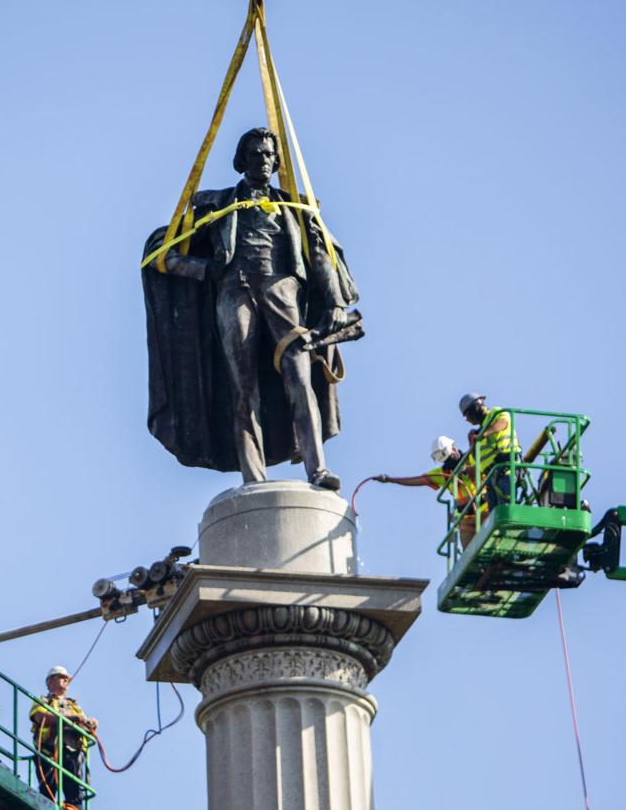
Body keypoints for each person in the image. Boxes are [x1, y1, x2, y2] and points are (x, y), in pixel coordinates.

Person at [144, 127, 361, 491]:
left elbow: (320, 251)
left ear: (277, 162)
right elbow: (162, 255)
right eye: (255, 153)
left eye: (268, 154)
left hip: (283, 290)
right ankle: (254, 478)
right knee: (243, 388)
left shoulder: (295, 205)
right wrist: (205, 269)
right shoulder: (215, 205)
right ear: (242, 160)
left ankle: (318, 469)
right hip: (235, 292)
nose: (263, 159)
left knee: (300, 378)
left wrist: (336, 301)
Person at [378, 436, 479, 548]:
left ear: (454, 448)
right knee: (471, 552)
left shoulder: (470, 457)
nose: (448, 462)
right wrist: (390, 480)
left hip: (483, 507)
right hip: (465, 518)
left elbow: (480, 469)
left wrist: (464, 469)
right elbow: (418, 480)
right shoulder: (443, 473)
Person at [30, 666, 97, 810]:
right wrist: (68, 719)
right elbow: (40, 717)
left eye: (66, 678)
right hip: (49, 750)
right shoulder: (43, 701)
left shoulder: (74, 706)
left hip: (72, 751)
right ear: (49, 682)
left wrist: (92, 723)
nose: (65, 680)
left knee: (73, 787)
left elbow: (86, 725)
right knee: (48, 787)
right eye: (60, 677)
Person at [459, 392, 520, 509]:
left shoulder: (495, 413)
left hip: (505, 467)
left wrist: (485, 434)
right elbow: (477, 460)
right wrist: (472, 443)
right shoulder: (479, 433)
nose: (467, 420)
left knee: (506, 508)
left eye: (467, 415)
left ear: (475, 408)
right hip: (491, 477)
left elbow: (503, 423)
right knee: (495, 515)